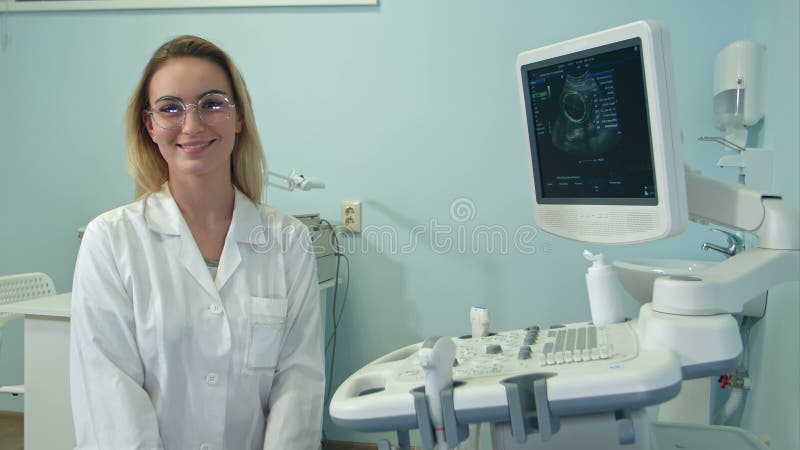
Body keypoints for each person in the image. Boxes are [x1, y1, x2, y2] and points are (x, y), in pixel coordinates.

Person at [69, 35, 325, 450]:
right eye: (170, 108)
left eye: (212, 103)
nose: (192, 124)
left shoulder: (287, 241)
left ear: (238, 117)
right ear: (150, 125)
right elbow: (109, 396)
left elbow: (299, 385)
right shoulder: (110, 241)